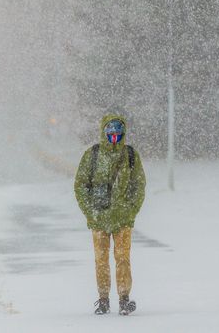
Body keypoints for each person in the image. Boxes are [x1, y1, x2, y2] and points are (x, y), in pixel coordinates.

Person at [74, 114, 146, 315]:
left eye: (118, 130)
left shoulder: (131, 155)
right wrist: (91, 212)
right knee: (101, 260)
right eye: (110, 130)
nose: (114, 134)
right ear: (103, 130)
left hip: (123, 219)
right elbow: (81, 185)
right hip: (99, 219)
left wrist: (131, 209)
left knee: (123, 258)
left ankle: (124, 298)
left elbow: (138, 185)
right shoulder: (93, 155)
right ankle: (103, 299)